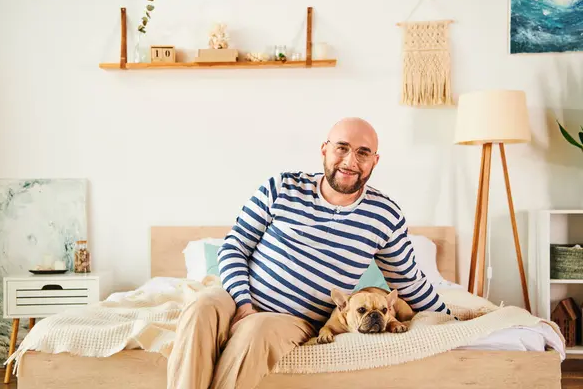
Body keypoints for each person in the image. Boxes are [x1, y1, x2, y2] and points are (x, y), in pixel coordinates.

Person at [167, 117, 451, 389]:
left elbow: (408, 282)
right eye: (342, 148)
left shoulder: (384, 216)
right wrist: (243, 304)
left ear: (375, 161)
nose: (350, 161)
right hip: (234, 295)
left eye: (363, 153)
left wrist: (451, 318)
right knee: (200, 307)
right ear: (324, 149)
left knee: (255, 330)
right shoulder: (281, 187)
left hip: (291, 320)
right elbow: (234, 246)